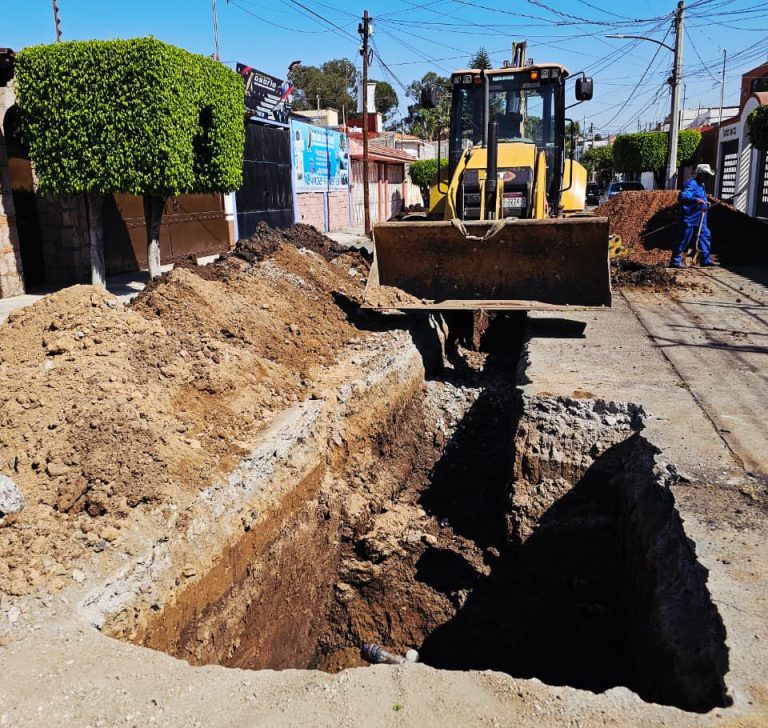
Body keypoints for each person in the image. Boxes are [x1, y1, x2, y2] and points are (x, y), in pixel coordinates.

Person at [670, 163, 716, 268]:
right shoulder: (691, 184)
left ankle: (705, 260)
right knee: (684, 237)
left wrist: (705, 202)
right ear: (700, 174)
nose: (708, 178)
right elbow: (682, 197)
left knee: (705, 235)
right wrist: (696, 200)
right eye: (706, 175)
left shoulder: (702, 185)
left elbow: (701, 197)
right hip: (689, 216)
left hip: (701, 215)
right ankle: (675, 261)